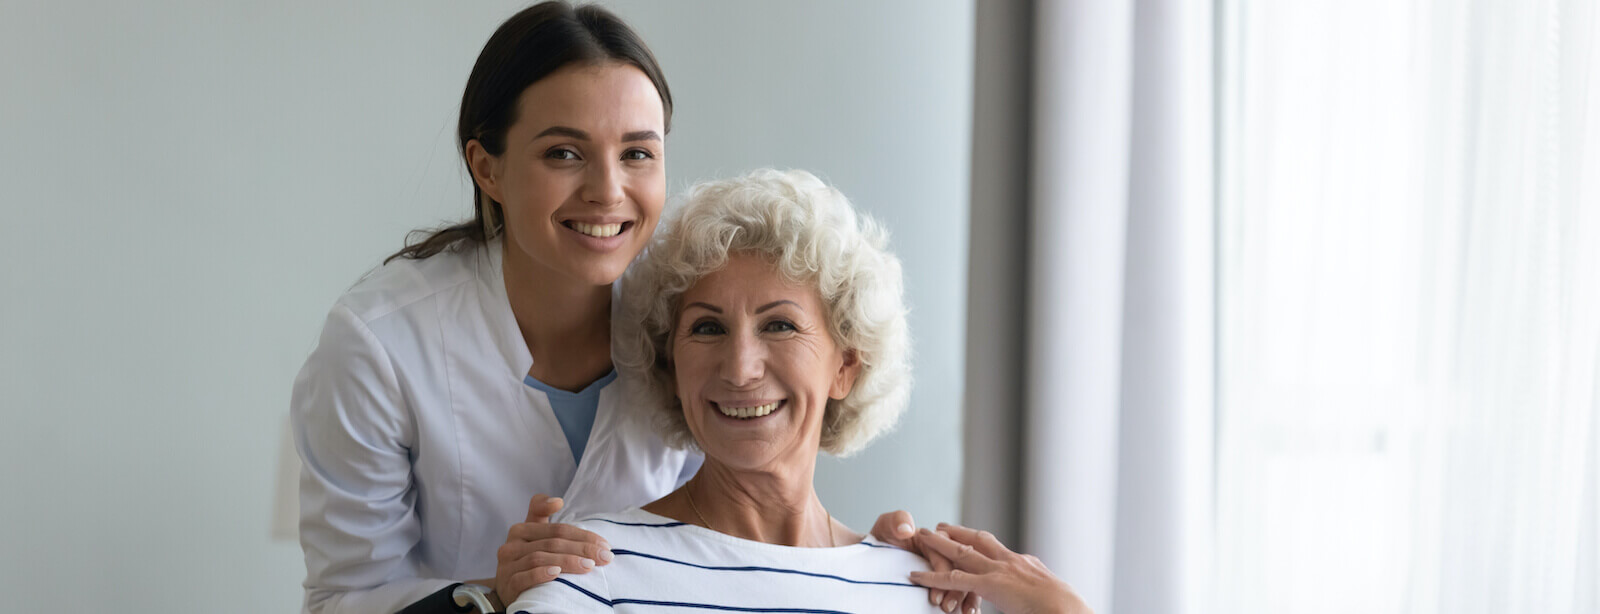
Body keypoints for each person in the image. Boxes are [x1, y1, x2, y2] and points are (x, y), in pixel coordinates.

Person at [290, 5, 957, 613]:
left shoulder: (687, 305)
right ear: (486, 168)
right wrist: (487, 596)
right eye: (564, 153)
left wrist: (862, 566)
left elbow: (751, 488)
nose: (608, 192)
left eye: (637, 152)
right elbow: (344, 597)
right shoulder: (380, 343)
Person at [509, 169, 981, 613]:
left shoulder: (922, 591)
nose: (739, 369)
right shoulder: (587, 575)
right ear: (670, 366)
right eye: (708, 328)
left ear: (847, 365)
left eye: (779, 325)